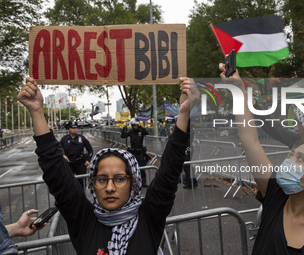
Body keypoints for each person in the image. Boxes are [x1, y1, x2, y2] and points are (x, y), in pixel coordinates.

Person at [18, 76, 199, 255]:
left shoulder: (149, 217)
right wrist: (36, 111)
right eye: (102, 179)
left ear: (133, 183)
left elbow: (169, 170)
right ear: (92, 184)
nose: (110, 188)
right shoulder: (84, 221)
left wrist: (184, 113)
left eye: (120, 179)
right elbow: (57, 173)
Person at [219, 64, 304, 255]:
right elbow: (251, 141)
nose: (289, 162)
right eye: (291, 154)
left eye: (300, 159)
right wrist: (238, 89)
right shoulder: (275, 194)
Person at [60, 121, 93, 188]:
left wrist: (88, 160)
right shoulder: (64, 139)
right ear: (68, 129)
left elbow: (90, 150)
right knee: (68, 184)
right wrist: (63, 155)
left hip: (80, 163)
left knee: (81, 184)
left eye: (75, 128)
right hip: (68, 164)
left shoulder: (82, 138)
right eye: (72, 128)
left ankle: (81, 197)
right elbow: (58, 150)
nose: (74, 129)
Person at [121, 118, 149, 187]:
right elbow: (123, 136)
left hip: (140, 152)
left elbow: (147, 133)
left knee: (142, 168)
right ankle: (133, 182)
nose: (135, 127)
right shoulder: (131, 132)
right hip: (133, 152)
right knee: (132, 168)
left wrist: (140, 126)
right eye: (133, 125)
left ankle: (144, 182)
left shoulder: (141, 130)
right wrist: (124, 127)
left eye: (136, 125)